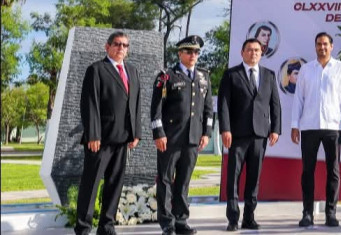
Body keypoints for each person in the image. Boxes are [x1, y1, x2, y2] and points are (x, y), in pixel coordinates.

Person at [75, 31, 141, 235]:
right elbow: (89, 104)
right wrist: (93, 134)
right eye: (117, 44)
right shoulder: (96, 70)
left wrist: (136, 132)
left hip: (122, 139)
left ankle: (107, 226)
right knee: (91, 184)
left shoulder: (132, 70)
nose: (121, 48)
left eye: (125, 45)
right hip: (100, 140)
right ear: (107, 47)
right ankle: (84, 227)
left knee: (115, 184)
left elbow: (136, 103)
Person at [150, 35, 214, 235]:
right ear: (180, 53)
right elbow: (156, 109)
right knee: (166, 180)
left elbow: (208, 109)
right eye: (188, 51)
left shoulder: (204, 77)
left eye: (196, 52)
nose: (193, 55)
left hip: (193, 139)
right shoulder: (167, 76)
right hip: (170, 138)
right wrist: (158, 133)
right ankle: (167, 223)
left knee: (184, 181)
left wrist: (207, 133)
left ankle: (181, 221)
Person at [218, 38, 281, 231]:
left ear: (261, 53)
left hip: (260, 135)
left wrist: (276, 129)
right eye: (249, 50)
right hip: (237, 134)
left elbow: (275, 104)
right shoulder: (231, 75)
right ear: (242, 52)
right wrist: (225, 129)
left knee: (254, 178)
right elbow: (224, 104)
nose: (253, 53)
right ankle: (233, 218)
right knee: (233, 178)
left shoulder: (269, 75)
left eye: (257, 50)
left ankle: (249, 217)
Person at [291, 32, 341, 229]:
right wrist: (295, 125)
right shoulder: (306, 70)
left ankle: (331, 213)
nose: (322, 47)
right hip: (309, 126)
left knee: (333, 171)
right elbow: (298, 99)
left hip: (333, 127)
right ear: (315, 46)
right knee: (307, 171)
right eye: (319, 44)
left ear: (332, 46)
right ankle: (307, 213)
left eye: (325, 44)